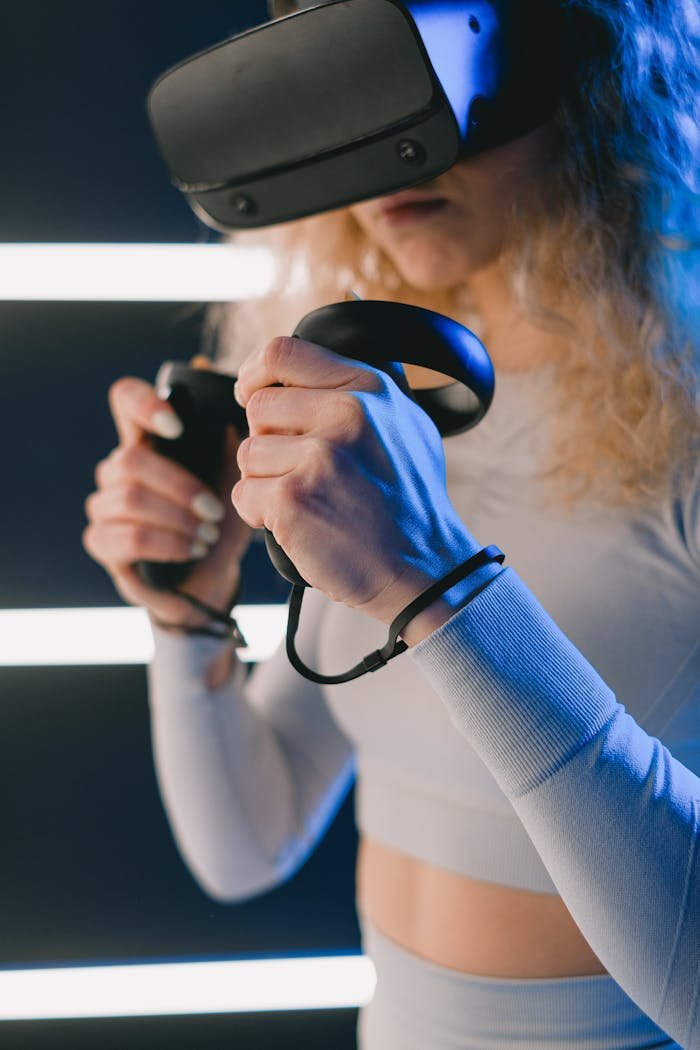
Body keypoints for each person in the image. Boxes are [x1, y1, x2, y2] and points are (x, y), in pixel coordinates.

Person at [83, 1, 699, 1047]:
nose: (384, 144)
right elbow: (248, 845)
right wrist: (188, 620)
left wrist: (445, 592)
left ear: (581, 66)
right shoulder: (382, 405)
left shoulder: (680, 429)